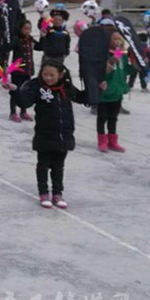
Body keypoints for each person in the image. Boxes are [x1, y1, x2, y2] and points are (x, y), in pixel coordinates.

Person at [16, 60, 87, 209]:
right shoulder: (37, 87)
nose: (48, 78)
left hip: (64, 135)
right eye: (45, 74)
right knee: (43, 165)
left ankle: (57, 193)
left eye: (52, 75)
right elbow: (25, 102)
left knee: (59, 166)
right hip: (45, 135)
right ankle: (43, 193)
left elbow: (81, 98)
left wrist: (96, 87)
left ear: (60, 75)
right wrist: (14, 91)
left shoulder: (66, 87)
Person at [97, 32, 132, 153]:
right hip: (105, 92)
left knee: (113, 118)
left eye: (119, 39)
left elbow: (127, 70)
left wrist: (137, 63)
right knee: (102, 118)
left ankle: (112, 141)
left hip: (117, 92)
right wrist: (111, 62)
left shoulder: (123, 55)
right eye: (115, 39)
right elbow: (102, 71)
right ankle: (102, 141)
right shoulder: (104, 54)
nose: (118, 41)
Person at [9, 20, 42, 122]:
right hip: (17, 70)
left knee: (25, 91)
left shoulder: (30, 40)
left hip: (27, 70)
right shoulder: (16, 39)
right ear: (20, 29)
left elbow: (40, 47)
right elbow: (7, 47)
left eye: (29, 29)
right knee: (15, 90)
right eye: (25, 29)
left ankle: (23, 111)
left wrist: (43, 36)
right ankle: (13, 112)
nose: (27, 31)